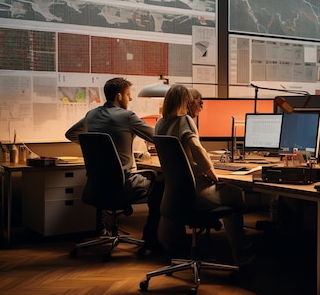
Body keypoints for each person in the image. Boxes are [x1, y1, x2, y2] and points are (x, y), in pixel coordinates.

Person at [155, 84, 254, 266]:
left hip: (173, 196)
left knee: (227, 193)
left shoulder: (160, 124)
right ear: (185, 101)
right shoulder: (184, 120)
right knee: (236, 194)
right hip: (195, 193)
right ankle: (241, 254)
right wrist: (212, 173)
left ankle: (200, 245)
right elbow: (197, 149)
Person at [65, 77, 162, 251]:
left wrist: (95, 148)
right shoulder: (127, 117)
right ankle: (152, 240)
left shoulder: (92, 115)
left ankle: (107, 227)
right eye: (128, 95)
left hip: (97, 185)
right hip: (123, 184)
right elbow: (159, 138)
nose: (130, 99)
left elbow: (71, 134)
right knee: (160, 183)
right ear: (119, 96)